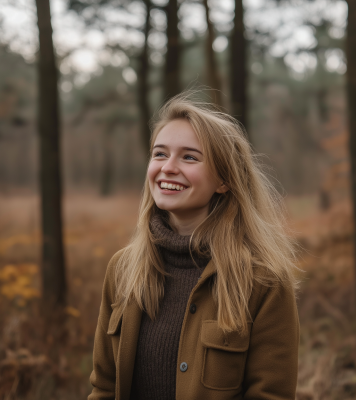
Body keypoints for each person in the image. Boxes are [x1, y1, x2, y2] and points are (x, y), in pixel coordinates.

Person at [88, 93, 300, 400]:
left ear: (223, 180)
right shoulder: (122, 270)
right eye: (160, 154)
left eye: (189, 157)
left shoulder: (262, 280)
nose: (168, 168)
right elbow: (104, 388)